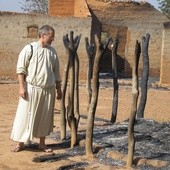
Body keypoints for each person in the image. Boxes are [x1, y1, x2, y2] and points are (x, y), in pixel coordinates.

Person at [11, 25, 62, 153]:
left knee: (44, 117)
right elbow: (21, 70)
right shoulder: (29, 49)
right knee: (25, 115)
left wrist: (59, 89)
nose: (53, 39)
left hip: (48, 89)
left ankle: (42, 144)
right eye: (51, 36)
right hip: (32, 88)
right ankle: (21, 143)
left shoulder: (52, 51)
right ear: (42, 35)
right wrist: (22, 87)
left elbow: (56, 72)